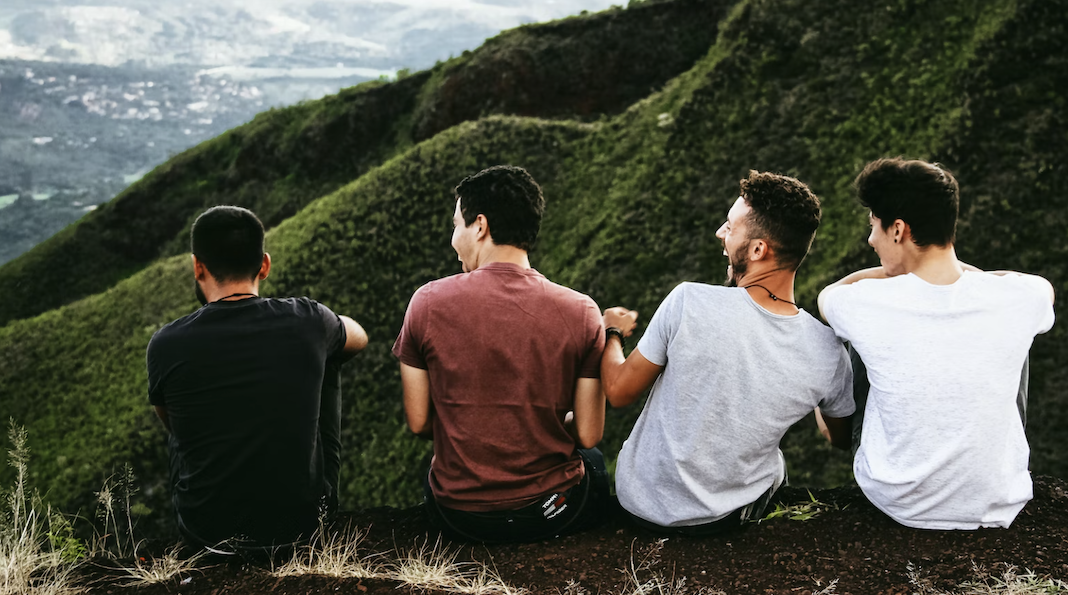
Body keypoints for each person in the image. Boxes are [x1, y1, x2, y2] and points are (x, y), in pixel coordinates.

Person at [601, 170, 856, 535]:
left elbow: (618, 391)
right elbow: (839, 438)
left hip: (639, 505)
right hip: (724, 520)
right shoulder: (828, 351)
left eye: (730, 227)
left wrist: (612, 332)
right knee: (776, 464)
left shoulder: (688, 300)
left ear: (757, 250)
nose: (720, 233)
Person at [817, 157, 1055, 530]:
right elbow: (1039, 287)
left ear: (898, 229)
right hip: (995, 501)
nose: (870, 240)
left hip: (897, 499)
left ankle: (842, 440)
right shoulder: (1021, 297)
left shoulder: (863, 301)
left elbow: (828, 296)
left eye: (874, 227)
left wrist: (891, 273)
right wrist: (964, 275)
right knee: (1014, 334)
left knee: (854, 339)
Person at [394, 165, 609, 543]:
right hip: (549, 513)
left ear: (480, 226)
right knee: (594, 462)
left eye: (456, 225)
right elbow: (589, 433)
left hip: (459, 516)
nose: (452, 239)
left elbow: (419, 422)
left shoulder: (426, 302)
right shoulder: (583, 311)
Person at [146, 206, 368, 551]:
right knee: (330, 356)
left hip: (205, 530)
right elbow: (359, 337)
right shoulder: (308, 319)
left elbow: (174, 426)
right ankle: (318, 502)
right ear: (264, 265)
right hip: (300, 525)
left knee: (183, 413)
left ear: (197, 266)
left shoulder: (165, 343)